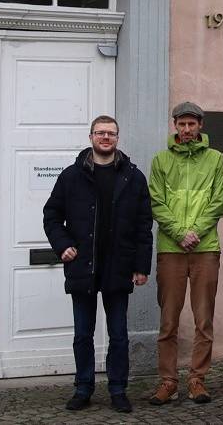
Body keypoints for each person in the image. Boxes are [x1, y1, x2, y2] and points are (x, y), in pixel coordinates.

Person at [42, 115, 152, 413]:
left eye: (111, 133)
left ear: (118, 138)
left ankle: (118, 389)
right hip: (83, 266)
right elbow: (52, 215)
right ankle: (83, 388)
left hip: (119, 265)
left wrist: (142, 266)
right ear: (91, 136)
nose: (106, 137)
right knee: (83, 334)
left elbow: (144, 225)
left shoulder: (133, 177)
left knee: (119, 335)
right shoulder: (71, 176)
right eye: (100, 133)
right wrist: (62, 245)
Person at [148, 101, 223, 405]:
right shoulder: (160, 160)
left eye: (191, 124)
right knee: (168, 320)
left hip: (205, 248)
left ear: (200, 126)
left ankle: (197, 379)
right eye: (181, 124)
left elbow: (219, 202)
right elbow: (156, 203)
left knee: (203, 319)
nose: (186, 129)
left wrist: (195, 232)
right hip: (171, 249)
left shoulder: (215, 159)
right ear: (175, 126)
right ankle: (168, 381)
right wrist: (180, 233)